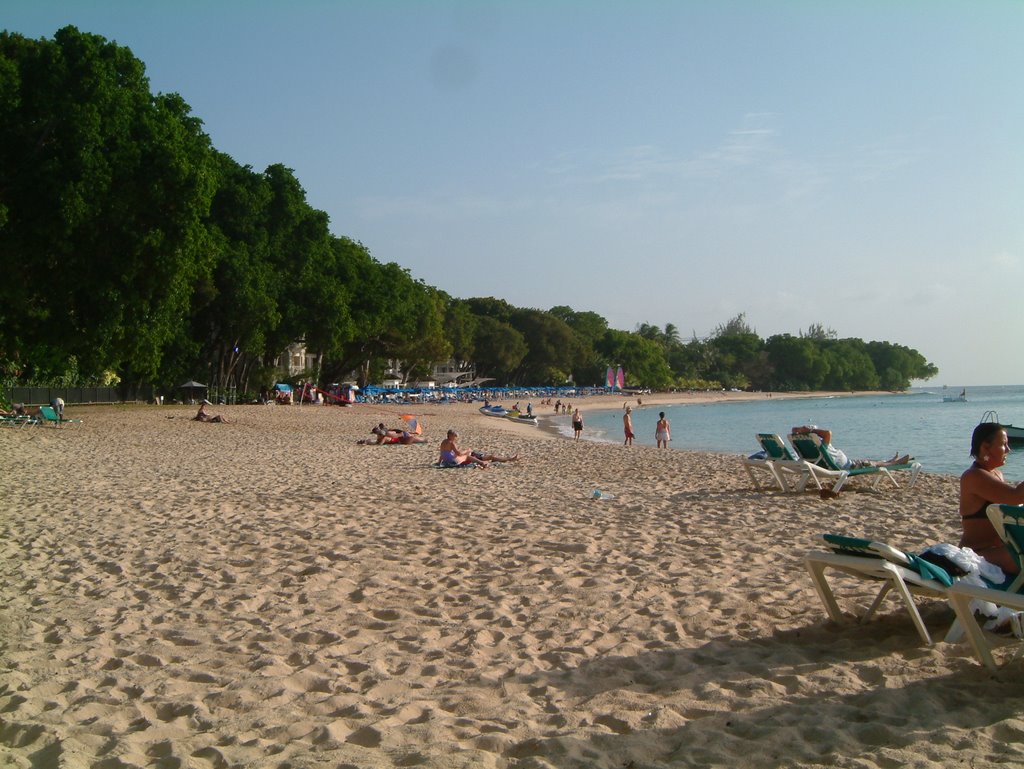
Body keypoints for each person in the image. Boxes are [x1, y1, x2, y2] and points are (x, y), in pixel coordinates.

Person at [959, 422, 1024, 575]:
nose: (1008, 449)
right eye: (1004, 444)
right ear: (985, 448)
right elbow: (1015, 497)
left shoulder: (995, 474)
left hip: (1000, 550)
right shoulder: (973, 476)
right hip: (978, 554)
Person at [791, 426, 912, 469]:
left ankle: (891, 461)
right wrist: (810, 430)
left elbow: (793, 430)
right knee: (872, 463)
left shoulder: (808, 446)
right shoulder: (823, 446)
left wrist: (801, 430)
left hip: (831, 464)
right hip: (848, 466)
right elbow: (828, 433)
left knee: (871, 461)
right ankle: (895, 463)